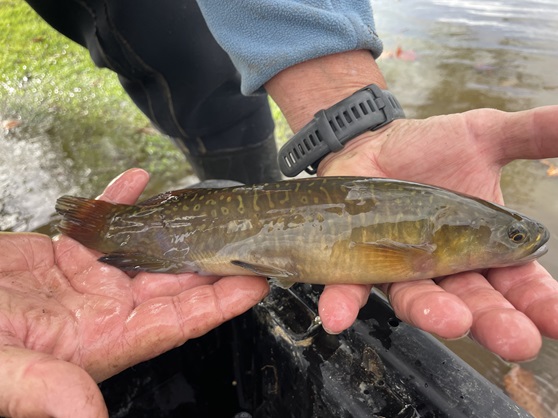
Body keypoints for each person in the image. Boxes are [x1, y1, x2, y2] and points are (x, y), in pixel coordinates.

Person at [1, 0, 557, 416]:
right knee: (204, 102)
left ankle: (140, 234)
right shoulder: (430, 235)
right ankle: (125, 234)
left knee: (226, 138)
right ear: (449, 235)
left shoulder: (437, 227)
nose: (520, 242)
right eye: (508, 238)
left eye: (509, 238)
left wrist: (343, 105)